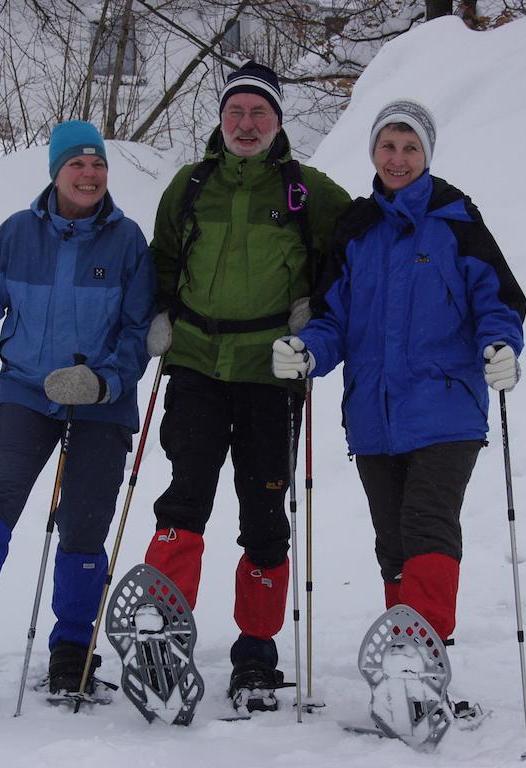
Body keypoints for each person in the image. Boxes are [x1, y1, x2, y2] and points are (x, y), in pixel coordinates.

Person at [0, 120, 154, 695]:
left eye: (98, 164)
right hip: (26, 393)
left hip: (99, 405)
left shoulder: (127, 242)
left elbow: (138, 333)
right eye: (77, 164)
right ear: (56, 171)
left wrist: (101, 383)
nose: (89, 174)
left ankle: (72, 650)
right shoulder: (17, 235)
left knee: (85, 525)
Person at [272, 98, 526, 647]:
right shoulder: (356, 229)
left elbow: (497, 300)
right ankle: (406, 658)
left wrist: (501, 345)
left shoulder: (456, 218)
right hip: (373, 415)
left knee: (426, 526)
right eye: (389, 145)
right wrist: (309, 351)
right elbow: (333, 317)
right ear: (374, 152)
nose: (398, 157)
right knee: (392, 542)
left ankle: (424, 655)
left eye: (411, 147)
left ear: (427, 155)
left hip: (446, 407)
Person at [141, 61, 352, 712]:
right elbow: (164, 260)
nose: (246, 124)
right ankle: (160, 636)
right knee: (183, 502)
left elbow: (354, 252)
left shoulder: (307, 191)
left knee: (265, 516)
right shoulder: (189, 186)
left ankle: (256, 654)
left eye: (260, 113)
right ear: (221, 118)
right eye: (236, 111)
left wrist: (315, 312)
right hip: (199, 363)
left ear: (278, 122)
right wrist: (159, 315)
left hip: (270, 371)